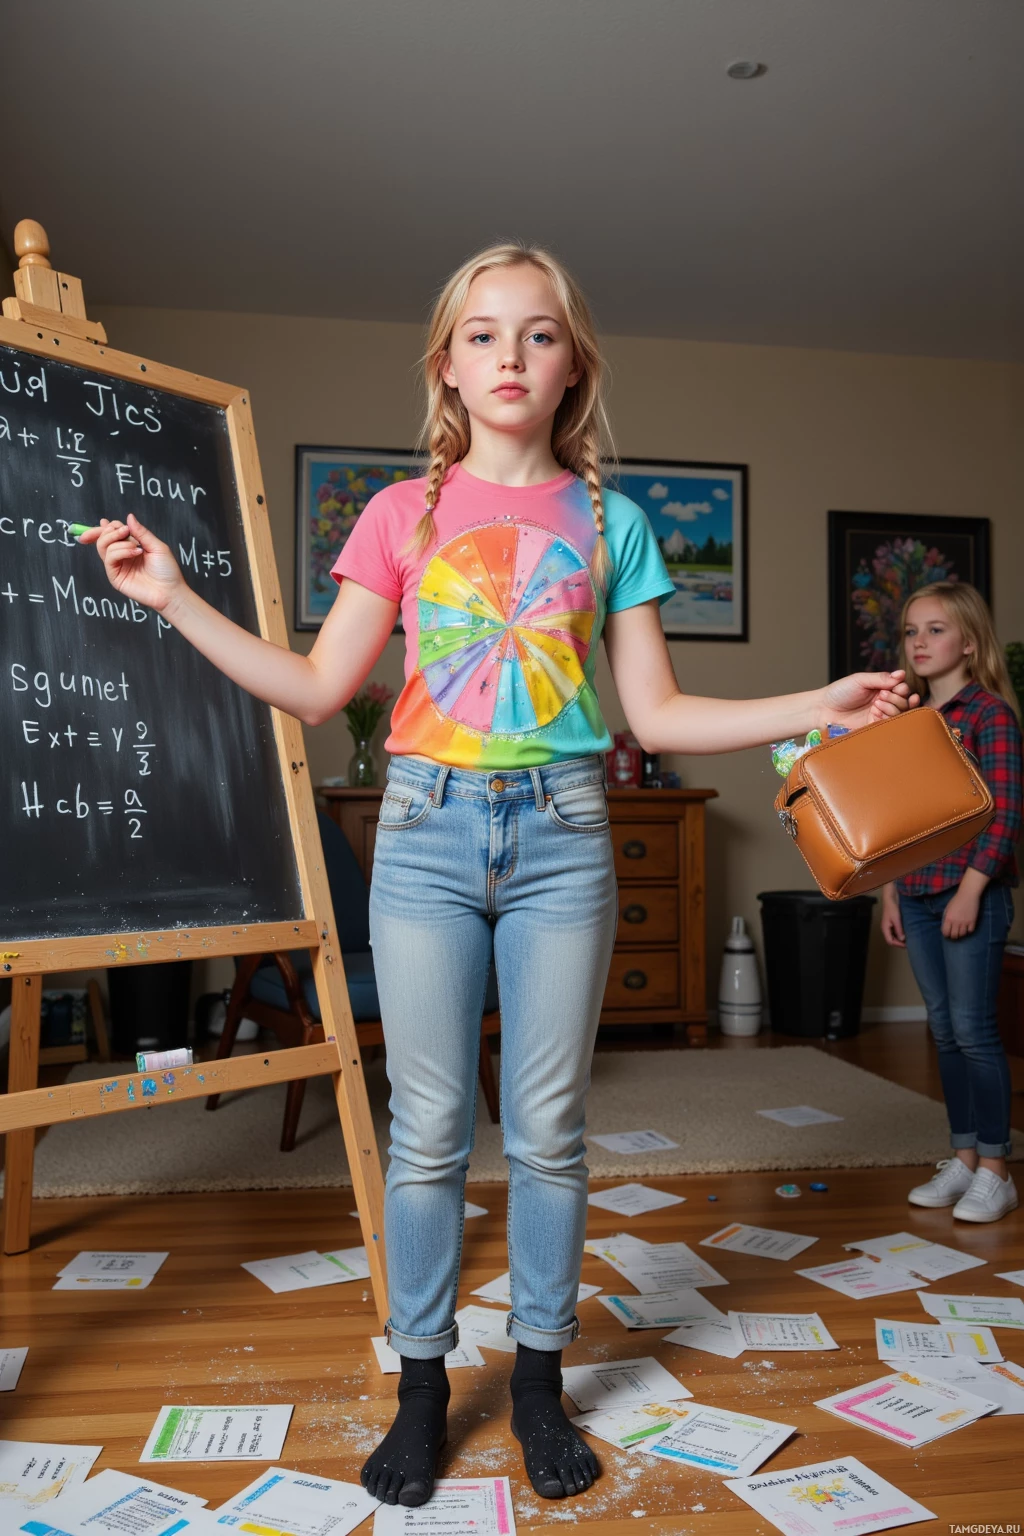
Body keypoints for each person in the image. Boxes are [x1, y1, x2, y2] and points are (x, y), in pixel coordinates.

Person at [84, 242, 915, 1507]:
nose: (510, 355)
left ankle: (536, 1384)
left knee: (548, 1132)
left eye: (537, 333)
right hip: (423, 833)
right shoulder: (398, 515)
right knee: (425, 1133)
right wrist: (177, 600)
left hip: (566, 834)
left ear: (572, 362)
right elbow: (317, 691)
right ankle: (423, 1386)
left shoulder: (609, 520)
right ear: (446, 365)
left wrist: (825, 699)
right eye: (483, 334)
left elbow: (658, 713)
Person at [881, 582, 1022, 1223]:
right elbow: (891, 814)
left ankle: (996, 1167)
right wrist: (888, 890)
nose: (920, 642)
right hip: (913, 892)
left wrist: (971, 889)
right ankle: (963, 1158)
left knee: (974, 1030)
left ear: (968, 641)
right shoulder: (907, 718)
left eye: (935, 630)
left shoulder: (988, 715)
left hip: (970, 895)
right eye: (912, 631)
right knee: (942, 1029)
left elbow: (1004, 813)